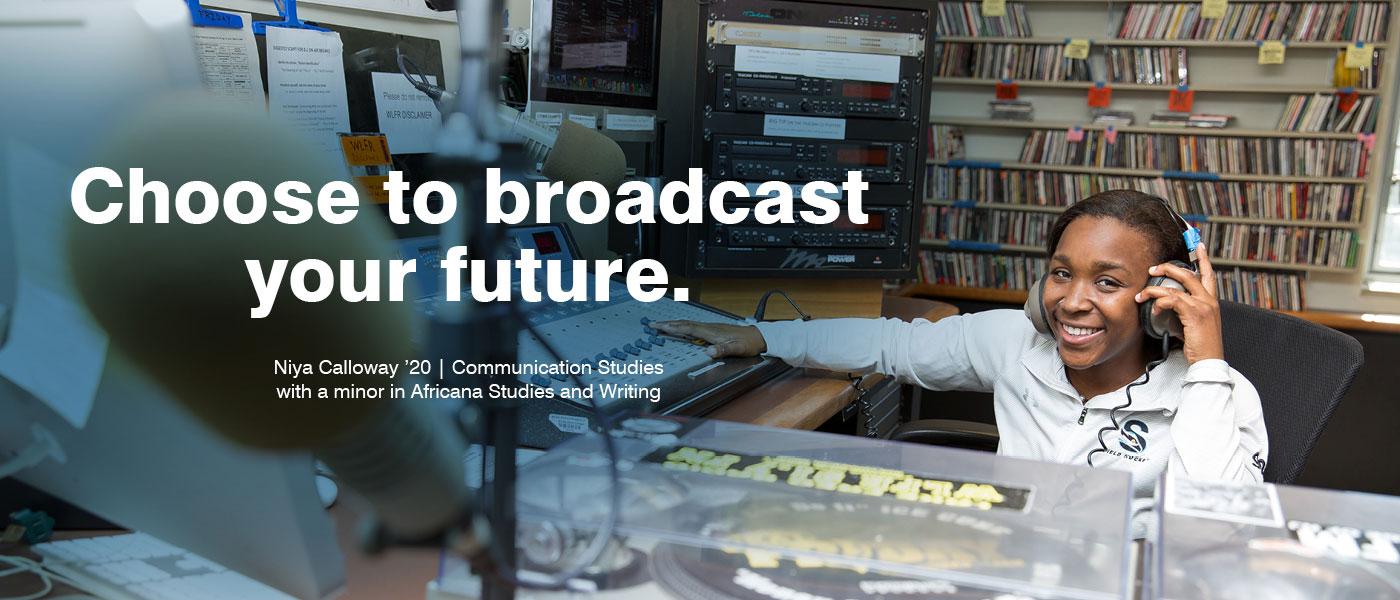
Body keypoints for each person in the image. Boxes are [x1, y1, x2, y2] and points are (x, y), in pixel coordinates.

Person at [653, 190, 1267, 535]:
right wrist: (765, 337)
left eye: (1107, 282)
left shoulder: (1217, 393)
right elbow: (893, 345)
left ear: (1161, 302)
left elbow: (1226, 530)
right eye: (1060, 273)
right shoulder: (1016, 345)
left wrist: (1207, 357)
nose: (1073, 301)